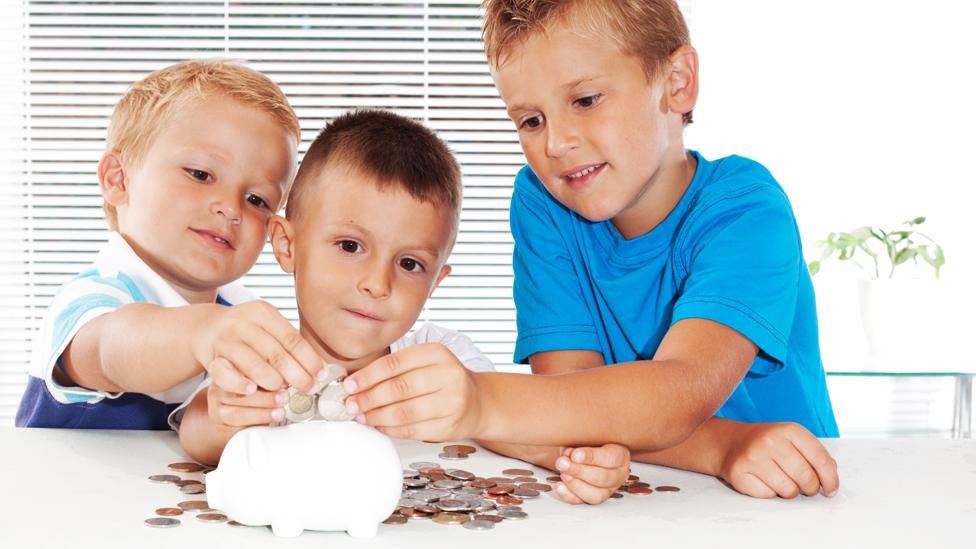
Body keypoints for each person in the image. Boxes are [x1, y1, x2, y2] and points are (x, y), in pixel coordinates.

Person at [341, 0, 840, 503]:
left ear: (678, 81)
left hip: (789, 491)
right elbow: (572, 403)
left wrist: (479, 399)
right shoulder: (543, 202)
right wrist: (720, 448)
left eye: (585, 100)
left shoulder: (747, 208)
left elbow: (677, 392)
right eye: (531, 120)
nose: (556, 143)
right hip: (650, 494)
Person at [16, 59, 328, 430]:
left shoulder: (241, 313)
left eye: (257, 199)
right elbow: (108, 351)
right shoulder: (94, 299)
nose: (230, 208)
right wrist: (203, 333)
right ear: (119, 180)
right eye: (200, 174)